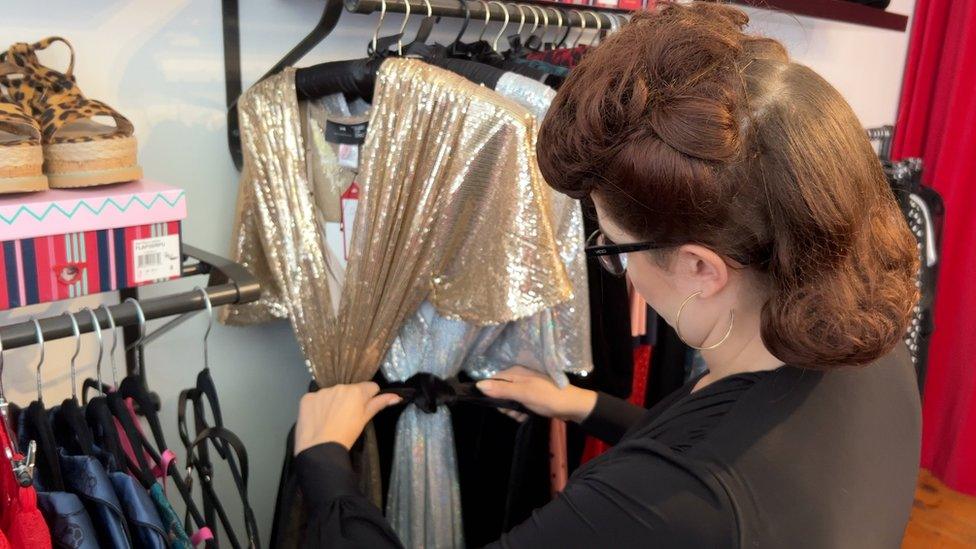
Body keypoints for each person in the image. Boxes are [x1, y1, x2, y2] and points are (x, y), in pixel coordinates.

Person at [292, 2, 922, 547]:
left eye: (612, 246)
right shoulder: (860, 335)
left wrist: (325, 467)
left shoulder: (679, 505)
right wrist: (581, 404)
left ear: (700, 267)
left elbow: (692, 487)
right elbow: (718, 450)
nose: (618, 268)